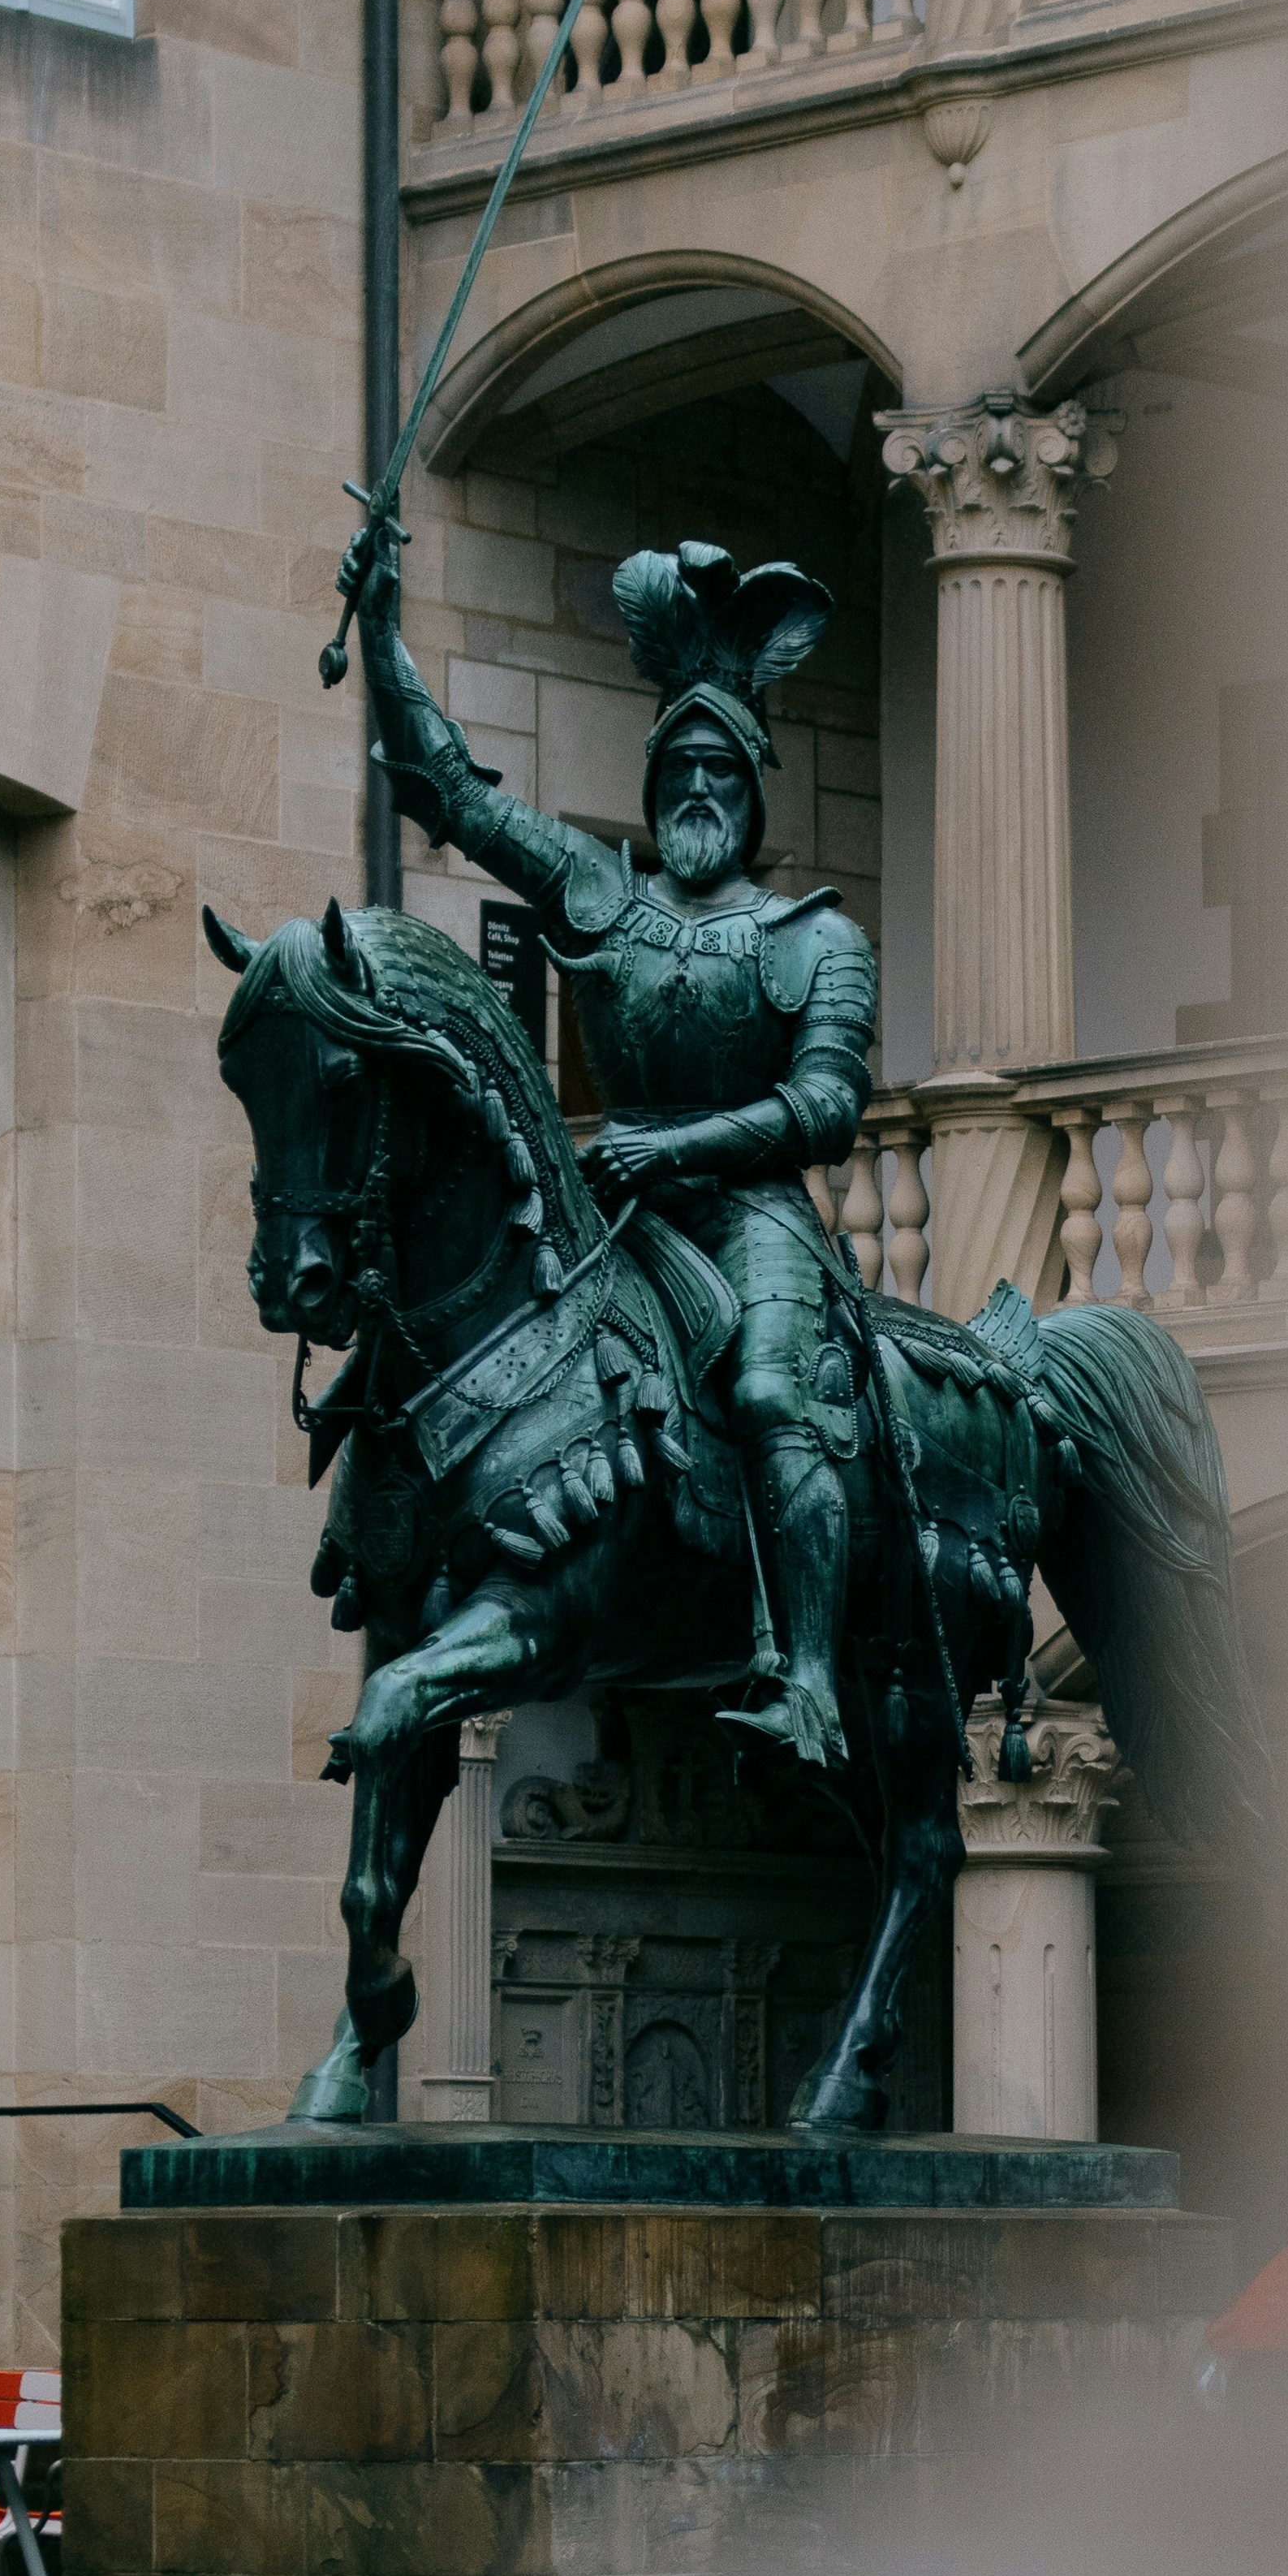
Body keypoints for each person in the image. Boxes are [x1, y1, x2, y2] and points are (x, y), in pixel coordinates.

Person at [342, 528, 878, 1768]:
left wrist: (681, 1146)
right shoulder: (601, 894)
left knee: (763, 1392)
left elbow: (827, 1108)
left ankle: (805, 1674)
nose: (699, 789)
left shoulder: (815, 937)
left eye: (722, 772)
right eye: (681, 767)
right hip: (607, 1206)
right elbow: (457, 795)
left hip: (750, 1213)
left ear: (754, 792)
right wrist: (379, 633)